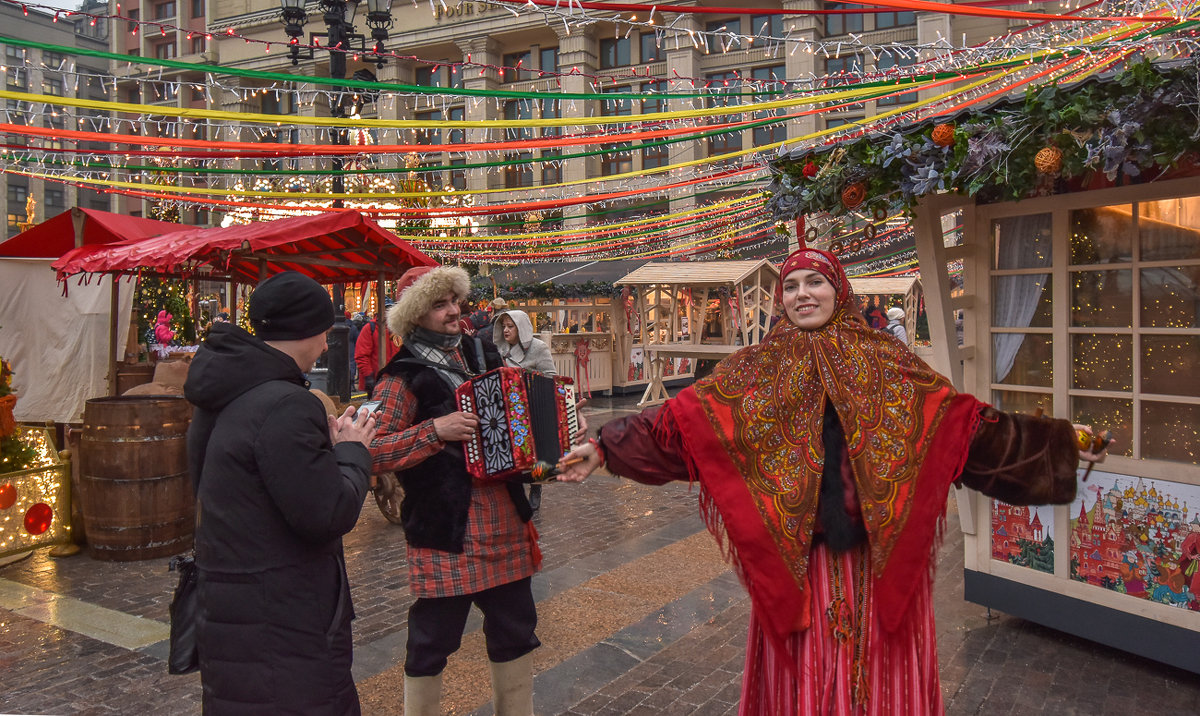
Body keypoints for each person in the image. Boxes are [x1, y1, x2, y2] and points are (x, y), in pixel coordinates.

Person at [558, 247, 1108, 715]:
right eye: (791, 285)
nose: (802, 294)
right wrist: (604, 449)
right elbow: (682, 424)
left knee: (880, 677)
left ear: (838, 290)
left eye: (815, 282)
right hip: (801, 566)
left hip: (879, 560)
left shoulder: (888, 359)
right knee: (805, 678)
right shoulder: (757, 367)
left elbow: (962, 427)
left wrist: (1063, 443)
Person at [367, 265, 581, 716]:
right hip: (446, 527)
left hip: (504, 517)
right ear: (413, 317)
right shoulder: (401, 375)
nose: (453, 311)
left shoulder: (482, 353)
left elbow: (516, 429)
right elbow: (371, 451)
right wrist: (435, 431)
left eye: (454, 301)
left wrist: (557, 429)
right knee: (432, 639)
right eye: (438, 305)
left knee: (515, 629)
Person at [184, 271, 377, 714]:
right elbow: (327, 513)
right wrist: (351, 452)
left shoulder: (225, 390)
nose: (327, 345)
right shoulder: (287, 403)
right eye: (325, 332)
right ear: (306, 330)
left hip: (233, 609)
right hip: (285, 621)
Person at [493, 308, 557, 510]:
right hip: (509, 409)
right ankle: (515, 490)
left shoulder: (538, 348)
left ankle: (537, 487)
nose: (505, 330)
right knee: (514, 452)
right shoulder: (498, 349)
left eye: (510, 326)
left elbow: (550, 377)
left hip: (535, 407)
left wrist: (526, 379)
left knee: (539, 451)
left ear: (521, 328)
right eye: (503, 326)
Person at [355, 302, 399, 396]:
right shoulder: (370, 328)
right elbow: (361, 355)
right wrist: (369, 376)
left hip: (395, 380)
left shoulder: (397, 330)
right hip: (376, 379)